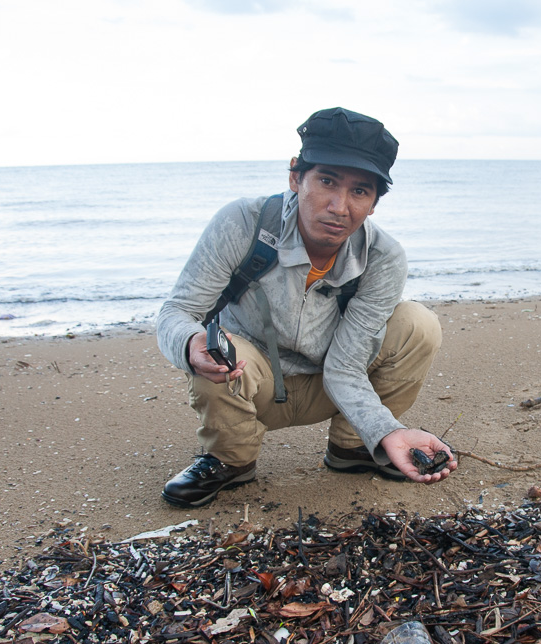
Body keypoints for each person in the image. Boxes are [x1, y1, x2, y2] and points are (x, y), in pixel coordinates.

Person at [156, 107, 456, 508]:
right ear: (296, 176)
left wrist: (388, 432)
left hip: (334, 384)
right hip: (252, 380)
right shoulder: (242, 222)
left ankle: (355, 448)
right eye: (327, 181)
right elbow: (176, 312)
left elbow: (346, 366)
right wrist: (190, 342)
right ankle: (231, 459)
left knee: (419, 323)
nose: (339, 206)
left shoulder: (383, 257)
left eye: (360, 191)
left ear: (374, 203)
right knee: (213, 344)